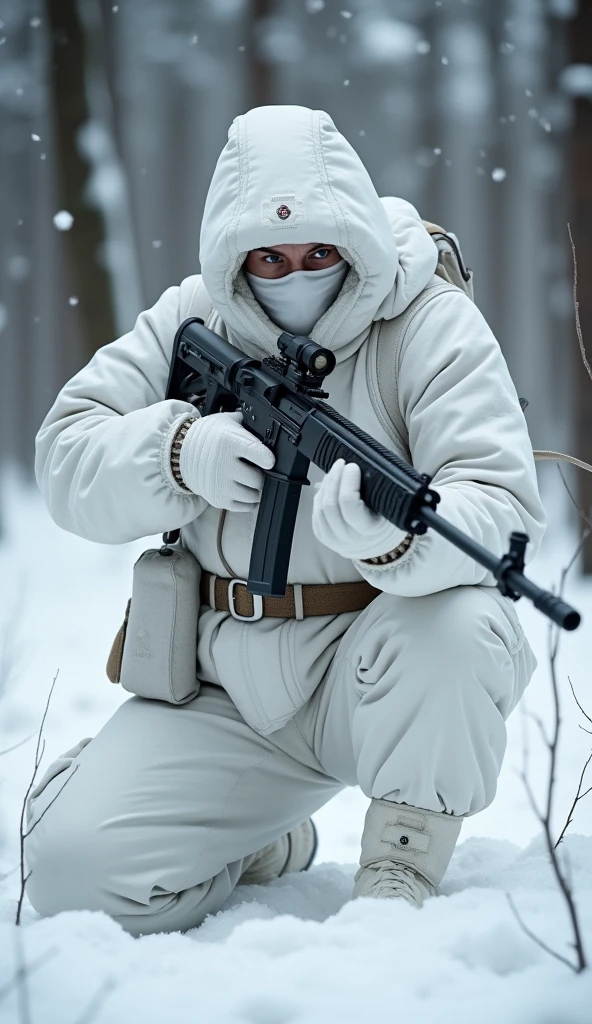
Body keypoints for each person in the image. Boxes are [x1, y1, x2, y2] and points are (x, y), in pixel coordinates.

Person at [26, 105, 546, 935]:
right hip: (225, 683)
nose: (294, 275)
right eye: (268, 258)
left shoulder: (428, 322)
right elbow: (65, 458)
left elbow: (503, 502)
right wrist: (176, 450)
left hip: (373, 673)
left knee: (464, 622)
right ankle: (265, 845)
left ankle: (399, 868)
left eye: (319, 254)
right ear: (235, 255)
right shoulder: (191, 316)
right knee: (71, 875)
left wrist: (401, 538)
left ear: (357, 244)